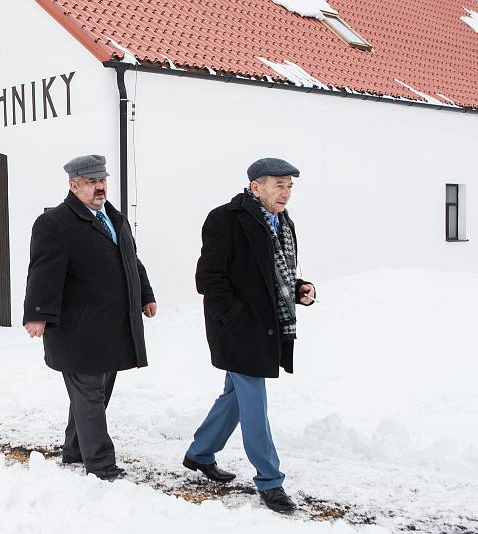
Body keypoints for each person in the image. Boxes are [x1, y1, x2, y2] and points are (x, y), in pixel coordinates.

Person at [183, 157, 316, 513]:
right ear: (255, 187)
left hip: (267, 326)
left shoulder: (283, 224)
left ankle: (200, 453)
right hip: (238, 328)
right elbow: (208, 279)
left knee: (236, 396)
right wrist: (237, 317)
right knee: (254, 400)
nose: (286, 192)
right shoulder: (225, 219)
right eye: (278, 184)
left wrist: (300, 288)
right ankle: (270, 481)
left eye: (289, 185)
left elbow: (276, 276)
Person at [23, 154, 157, 481]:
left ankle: (75, 449)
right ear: (73, 185)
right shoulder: (55, 223)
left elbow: (131, 262)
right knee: (90, 395)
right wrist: (37, 315)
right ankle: (101, 465)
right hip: (77, 328)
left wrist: (146, 294)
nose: (100, 187)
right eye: (91, 182)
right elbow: (43, 273)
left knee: (95, 394)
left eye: (102, 180)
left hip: (112, 327)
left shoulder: (114, 218)